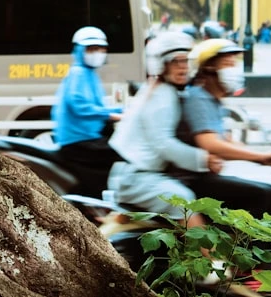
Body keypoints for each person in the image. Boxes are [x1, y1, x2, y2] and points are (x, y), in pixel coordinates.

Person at [108, 31, 219, 226]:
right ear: (162, 64)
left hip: (134, 174)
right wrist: (203, 159)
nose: (183, 68)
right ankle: (208, 258)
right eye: (176, 62)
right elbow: (164, 143)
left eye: (186, 61)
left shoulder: (158, 89)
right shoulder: (162, 96)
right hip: (136, 178)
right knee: (186, 203)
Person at [175, 39, 271, 218]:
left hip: (203, 177)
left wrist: (270, 154)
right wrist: (261, 157)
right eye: (228, 64)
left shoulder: (213, 101)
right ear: (209, 68)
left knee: (268, 192)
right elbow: (210, 144)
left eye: (234, 64)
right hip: (190, 181)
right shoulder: (198, 98)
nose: (234, 70)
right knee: (266, 195)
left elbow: (227, 142)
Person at [52, 26, 123, 196]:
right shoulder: (78, 73)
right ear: (80, 51)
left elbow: (97, 106)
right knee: (122, 154)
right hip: (78, 140)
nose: (97, 53)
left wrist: (124, 110)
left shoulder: (88, 73)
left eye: (100, 49)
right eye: (91, 49)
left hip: (87, 138)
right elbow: (79, 106)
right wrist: (112, 114)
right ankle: (104, 202)